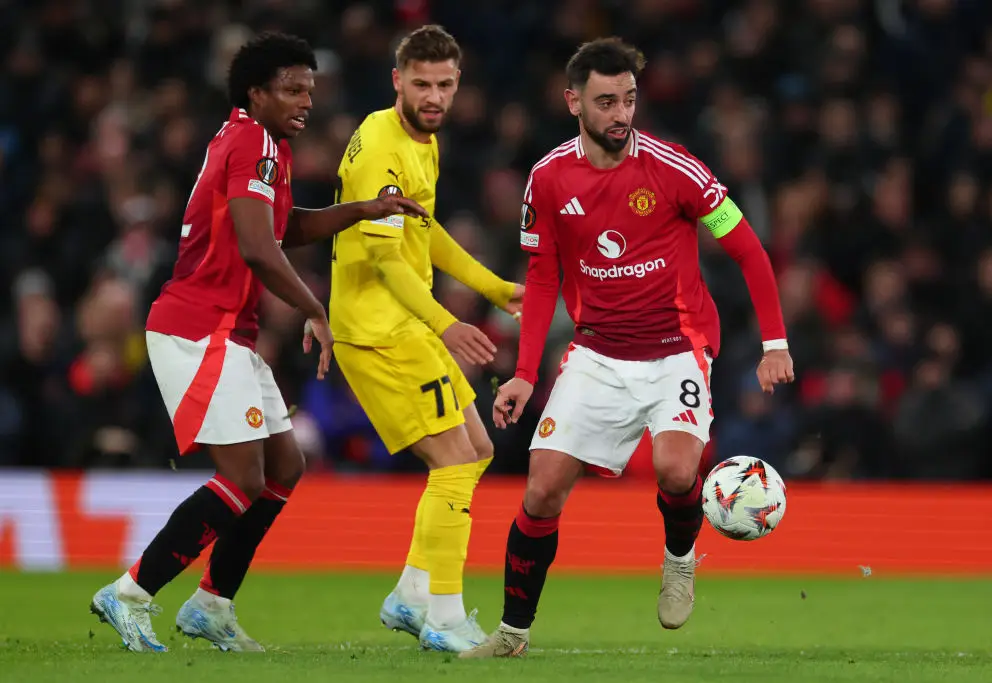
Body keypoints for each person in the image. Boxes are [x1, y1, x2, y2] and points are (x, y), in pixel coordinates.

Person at [89, 32, 427, 653]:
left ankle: (212, 604)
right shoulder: (253, 142)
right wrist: (313, 307)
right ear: (256, 92)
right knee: (243, 477)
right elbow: (256, 247)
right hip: (200, 326)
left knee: (284, 467)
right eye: (292, 90)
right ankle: (130, 592)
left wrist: (360, 210)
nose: (306, 102)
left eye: (310, 91)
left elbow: (282, 227)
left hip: (228, 330)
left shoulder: (260, 143)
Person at [463, 37, 795, 658]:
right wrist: (525, 373)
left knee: (676, 470)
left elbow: (748, 248)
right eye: (606, 101)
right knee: (541, 491)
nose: (621, 114)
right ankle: (512, 634)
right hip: (596, 354)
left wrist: (774, 342)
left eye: (629, 100)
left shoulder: (675, 169)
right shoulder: (547, 178)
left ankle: (679, 558)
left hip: (677, 349)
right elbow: (542, 277)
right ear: (573, 102)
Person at [330, 25, 523, 653]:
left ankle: (413, 594)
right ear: (398, 81)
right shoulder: (383, 150)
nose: (434, 96)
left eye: (444, 84)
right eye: (421, 84)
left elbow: (424, 231)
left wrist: (494, 287)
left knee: (477, 448)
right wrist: (448, 323)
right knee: (455, 462)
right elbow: (386, 260)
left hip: (405, 323)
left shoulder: (422, 140)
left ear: (458, 83)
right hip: (379, 329)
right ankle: (443, 615)